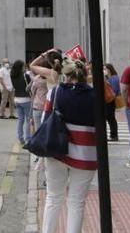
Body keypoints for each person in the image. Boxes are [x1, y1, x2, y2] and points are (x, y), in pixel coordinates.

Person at [41, 59, 96, 233]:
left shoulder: (55, 92)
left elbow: (45, 120)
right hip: (86, 154)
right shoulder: (95, 94)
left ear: (65, 75)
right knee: (77, 202)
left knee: (53, 198)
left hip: (57, 150)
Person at [10, 60, 32, 145]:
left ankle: (20, 138)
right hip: (26, 99)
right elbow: (30, 87)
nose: (24, 67)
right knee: (28, 120)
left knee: (20, 120)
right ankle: (28, 138)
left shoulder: (12, 75)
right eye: (23, 66)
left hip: (17, 99)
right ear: (21, 67)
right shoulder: (26, 76)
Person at [104, 64, 120, 141]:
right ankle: (113, 135)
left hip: (110, 100)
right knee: (110, 118)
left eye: (105, 69)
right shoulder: (107, 78)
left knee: (111, 118)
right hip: (107, 100)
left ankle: (114, 135)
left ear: (109, 69)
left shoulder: (114, 78)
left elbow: (115, 90)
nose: (104, 71)